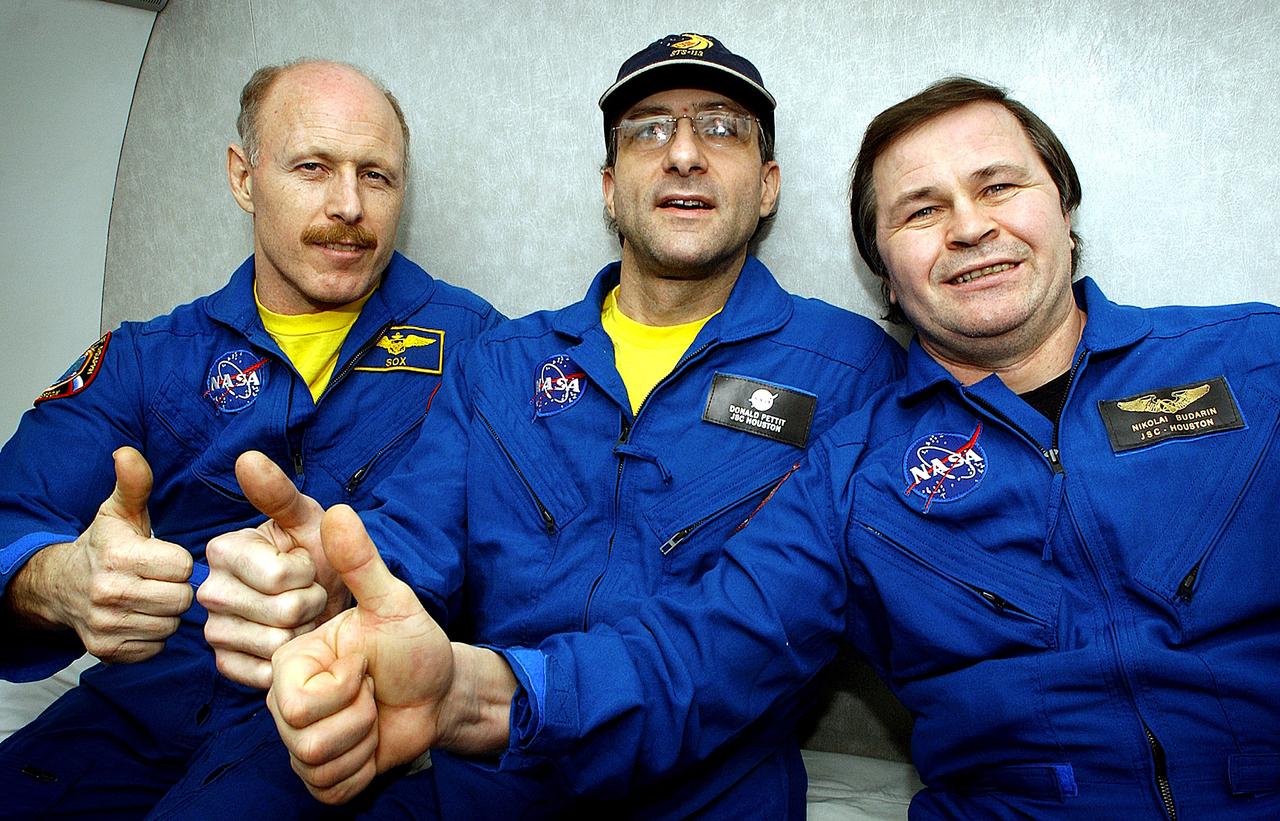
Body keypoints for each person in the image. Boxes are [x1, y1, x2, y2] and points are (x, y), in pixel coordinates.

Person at [270, 76, 1280, 819]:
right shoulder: (858, 470)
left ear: (1060, 210)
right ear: (887, 273)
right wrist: (464, 688)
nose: (968, 228)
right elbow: (694, 652)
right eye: (919, 211)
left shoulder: (1250, 359)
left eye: (998, 187)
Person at [199, 32, 904, 818]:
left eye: (720, 127)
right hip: (481, 786)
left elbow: (769, 624)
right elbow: (411, 541)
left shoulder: (851, 373)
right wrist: (327, 580)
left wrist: (494, 695)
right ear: (610, 187)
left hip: (702, 793)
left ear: (767, 185)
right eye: (647, 129)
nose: (682, 154)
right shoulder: (501, 362)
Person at [0, 60, 499, 816]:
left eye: (377, 176)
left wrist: (347, 584)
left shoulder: (482, 351)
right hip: (134, 705)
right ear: (244, 177)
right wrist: (57, 580)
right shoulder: (147, 356)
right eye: (312, 167)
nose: (348, 205)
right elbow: (13, 510)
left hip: (325, 715)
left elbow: (514, 553)